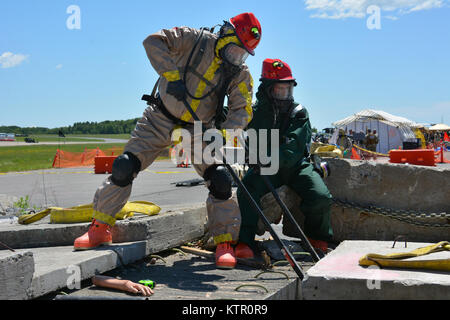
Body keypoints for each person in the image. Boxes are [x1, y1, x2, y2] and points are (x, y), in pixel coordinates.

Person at [73, 13, 262, 270]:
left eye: (242, 54)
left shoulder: (239, 72)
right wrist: (172, 77)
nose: (236, 58)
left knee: (219, 178)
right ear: (224, 36)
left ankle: (224, 242)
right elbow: (153, 42)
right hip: (160, 116)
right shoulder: (193, 39)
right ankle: (100, 227)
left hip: (199, 128)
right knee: (124, 166)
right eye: (234, 50)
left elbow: (242, 110)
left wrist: (224, 135)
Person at [235, 59, 334, 259]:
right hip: (266, 168)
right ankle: (245, 241)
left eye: (288, 89)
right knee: (246, 191)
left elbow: (293, 149)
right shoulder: (253, 112)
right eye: (281, 90)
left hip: (297, 167)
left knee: (320, 196)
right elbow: (235, 126)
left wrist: (266, 158)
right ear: (269, 89)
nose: (286, 95)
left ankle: (317, 238)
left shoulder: (299, 112)